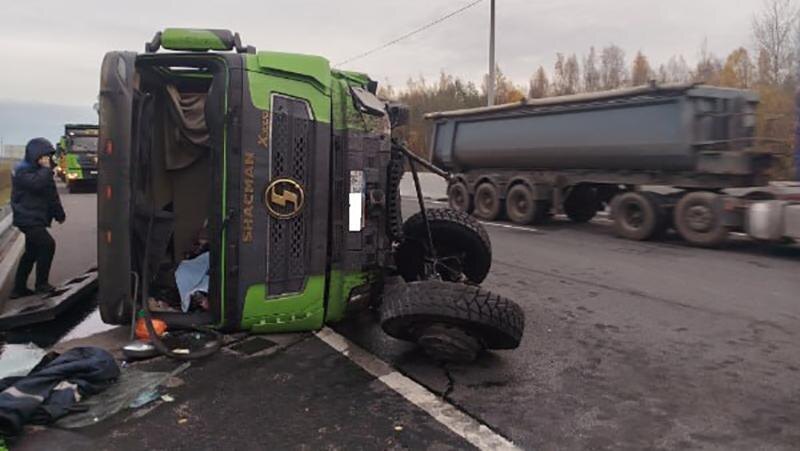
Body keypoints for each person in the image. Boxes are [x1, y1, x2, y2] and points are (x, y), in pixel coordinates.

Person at [9, 138, 66, 299]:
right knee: (47, 245)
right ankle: (41, 285)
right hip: (27, 218)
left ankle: (18, 289)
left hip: (36, 218)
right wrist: (47, 169)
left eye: (48, 157)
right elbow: (37, 184)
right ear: (35, 155)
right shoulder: (22, 170)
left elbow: (51, 194)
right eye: (44, 156)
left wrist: (59, 213)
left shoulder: (43, 172)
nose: (47, 160)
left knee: (31, 252)